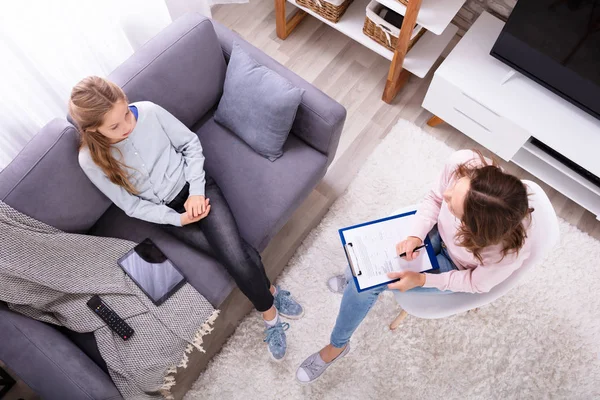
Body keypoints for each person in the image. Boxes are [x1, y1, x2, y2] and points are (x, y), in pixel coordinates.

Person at [69, 76, 303, 361]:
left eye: (127, 114)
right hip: (168, 214)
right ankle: (272, 292)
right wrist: (177, 219)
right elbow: (130, 206)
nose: (128, 126)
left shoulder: (151, 112)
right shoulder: (89, 160)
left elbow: (190, 144)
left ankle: (269, 316)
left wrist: (195, 192)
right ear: (93, 129)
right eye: (115, 126)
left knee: (235, 257)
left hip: (198, 189)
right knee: (233, 254)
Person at [296, 149, 535, 383]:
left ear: (475, 229)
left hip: (455, 267)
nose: (447, 196)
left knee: (364, 285)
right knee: (366, 260)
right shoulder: (464, 162)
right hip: (434, 232)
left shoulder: (506, 251)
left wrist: (422, 280)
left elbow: (475, 283)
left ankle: (337, 346)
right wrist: (415, 236)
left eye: (454, 207)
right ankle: (353, 278)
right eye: (454, 187)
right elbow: (434, 198)